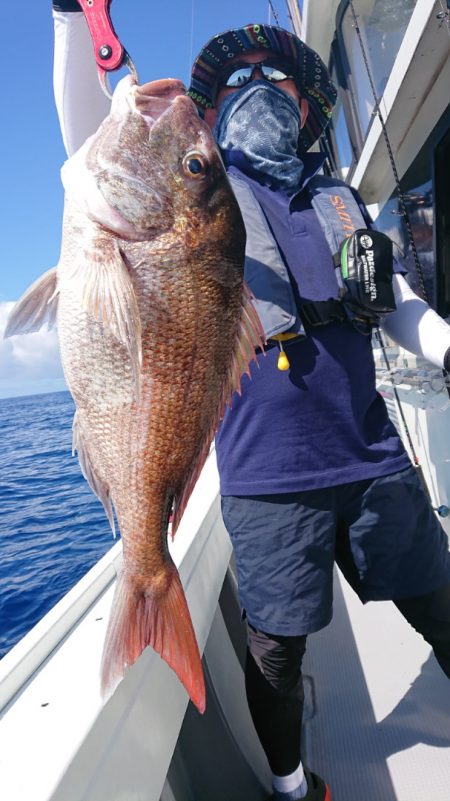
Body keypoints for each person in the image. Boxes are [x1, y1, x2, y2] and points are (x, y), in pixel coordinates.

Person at [52, 7, 450, 800]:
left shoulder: (342, 201)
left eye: (277, 79)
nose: (258, 88)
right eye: (239, 80)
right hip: (267, 478)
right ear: (217, 111)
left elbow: (395, 299)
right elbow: (93, 137)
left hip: (373, 457)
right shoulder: (203, 193)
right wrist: (72, 18)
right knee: (276, 657)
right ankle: (292, 787)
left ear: (304, 106)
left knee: (441, 607)